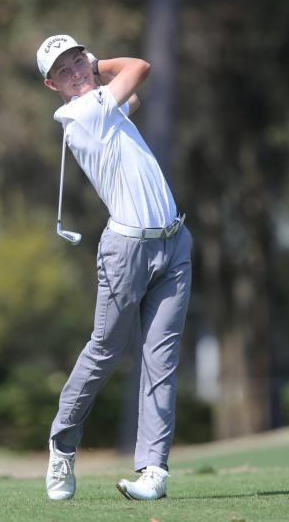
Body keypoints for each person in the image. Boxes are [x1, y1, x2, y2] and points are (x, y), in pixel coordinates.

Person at [36, 34, 193, 501]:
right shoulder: (82, 113)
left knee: (161, 362)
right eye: (64, 71)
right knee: (106, 350)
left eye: (78, 61)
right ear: (52, 86)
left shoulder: (106, 106)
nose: (77, 72)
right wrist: (100, 62)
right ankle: (62, 442)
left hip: (173, 243)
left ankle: (153, 471)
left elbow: (137, 93)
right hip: (126, 252)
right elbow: (141, 67)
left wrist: (93, 64)